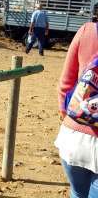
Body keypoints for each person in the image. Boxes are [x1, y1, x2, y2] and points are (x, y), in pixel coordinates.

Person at [55, 22, 98, 198]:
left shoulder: (87, 30)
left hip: (73, 137)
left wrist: (69, 117)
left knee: (77, 193)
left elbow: (65, 83)